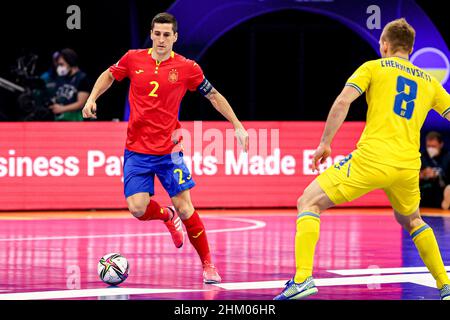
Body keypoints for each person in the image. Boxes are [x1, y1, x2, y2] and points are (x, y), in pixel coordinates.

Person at [274, 18, 450, 300]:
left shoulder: (373, 67)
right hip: (407, 167)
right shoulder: (429, 81)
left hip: (372, 159)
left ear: (385, 44)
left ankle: (303, 278)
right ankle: (445, 286)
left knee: (308, 201)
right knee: (413, 219)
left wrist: (325, 143)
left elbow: (343, 101)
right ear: (411, 48)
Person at [82, 12, 249, 284]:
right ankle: (166, 216)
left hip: (170, 151)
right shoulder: (132, 58)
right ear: (151, 34)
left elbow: (214, 96)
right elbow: (108, 75)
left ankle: (208, 264)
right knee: (137, 208)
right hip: (136, 149)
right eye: (157, 34)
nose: (161, 39)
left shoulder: (187, 68)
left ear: (175, 37)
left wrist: (237, 125)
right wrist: (91, 98)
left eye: (166, 35)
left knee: (186, 207)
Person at [49, 48, 90, 121]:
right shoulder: (60, 77)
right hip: (59, 120)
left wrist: (62, 109)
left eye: (61, 64)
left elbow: (81, 103)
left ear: (70, 62)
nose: (59, 67)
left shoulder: (82, 78)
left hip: (75, 121)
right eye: (58, 65)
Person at [420, 131, 450, 209]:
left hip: (442, 189)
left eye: (433, 146)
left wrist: (436, 174)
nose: (430, 149)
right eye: (428, 146)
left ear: (441, 144)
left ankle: (445, 203)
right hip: (425, 190)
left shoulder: (448, 156)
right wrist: (422, 174)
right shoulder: (421, 156)